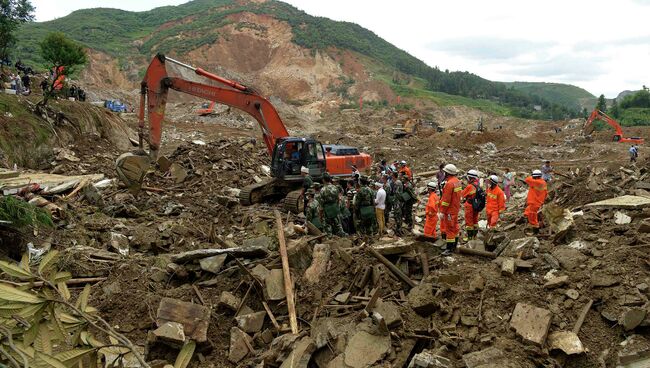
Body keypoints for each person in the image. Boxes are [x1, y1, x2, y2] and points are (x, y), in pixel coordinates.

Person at [440, 164, 462, 255]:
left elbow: (446, 200)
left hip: (449, 210)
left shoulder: (449, 184)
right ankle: (454, 245)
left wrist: (442, 211)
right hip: (455, 209)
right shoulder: (457, 181)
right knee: (455, 227)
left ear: (447, 173)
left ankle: (449, 249)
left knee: (449, 229)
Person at [523, 169, 548, 234]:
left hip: (534, 202)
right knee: (527, 211)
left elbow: (527, 179)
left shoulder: (536, 182)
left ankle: (535, 228)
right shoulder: (543, 182)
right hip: (538, 201)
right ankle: (526, 217)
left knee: (532, 215)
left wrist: (532, 176)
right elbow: (546, 193)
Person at [461, 169, 481, 241]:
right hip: (477, 205)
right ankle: (475, 236)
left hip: (470, 205)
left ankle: (470, 238)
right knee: (475, 220)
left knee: (469, 221)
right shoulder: (477, 184)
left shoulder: (469, 186)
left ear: (470, 177)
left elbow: (462, 194)